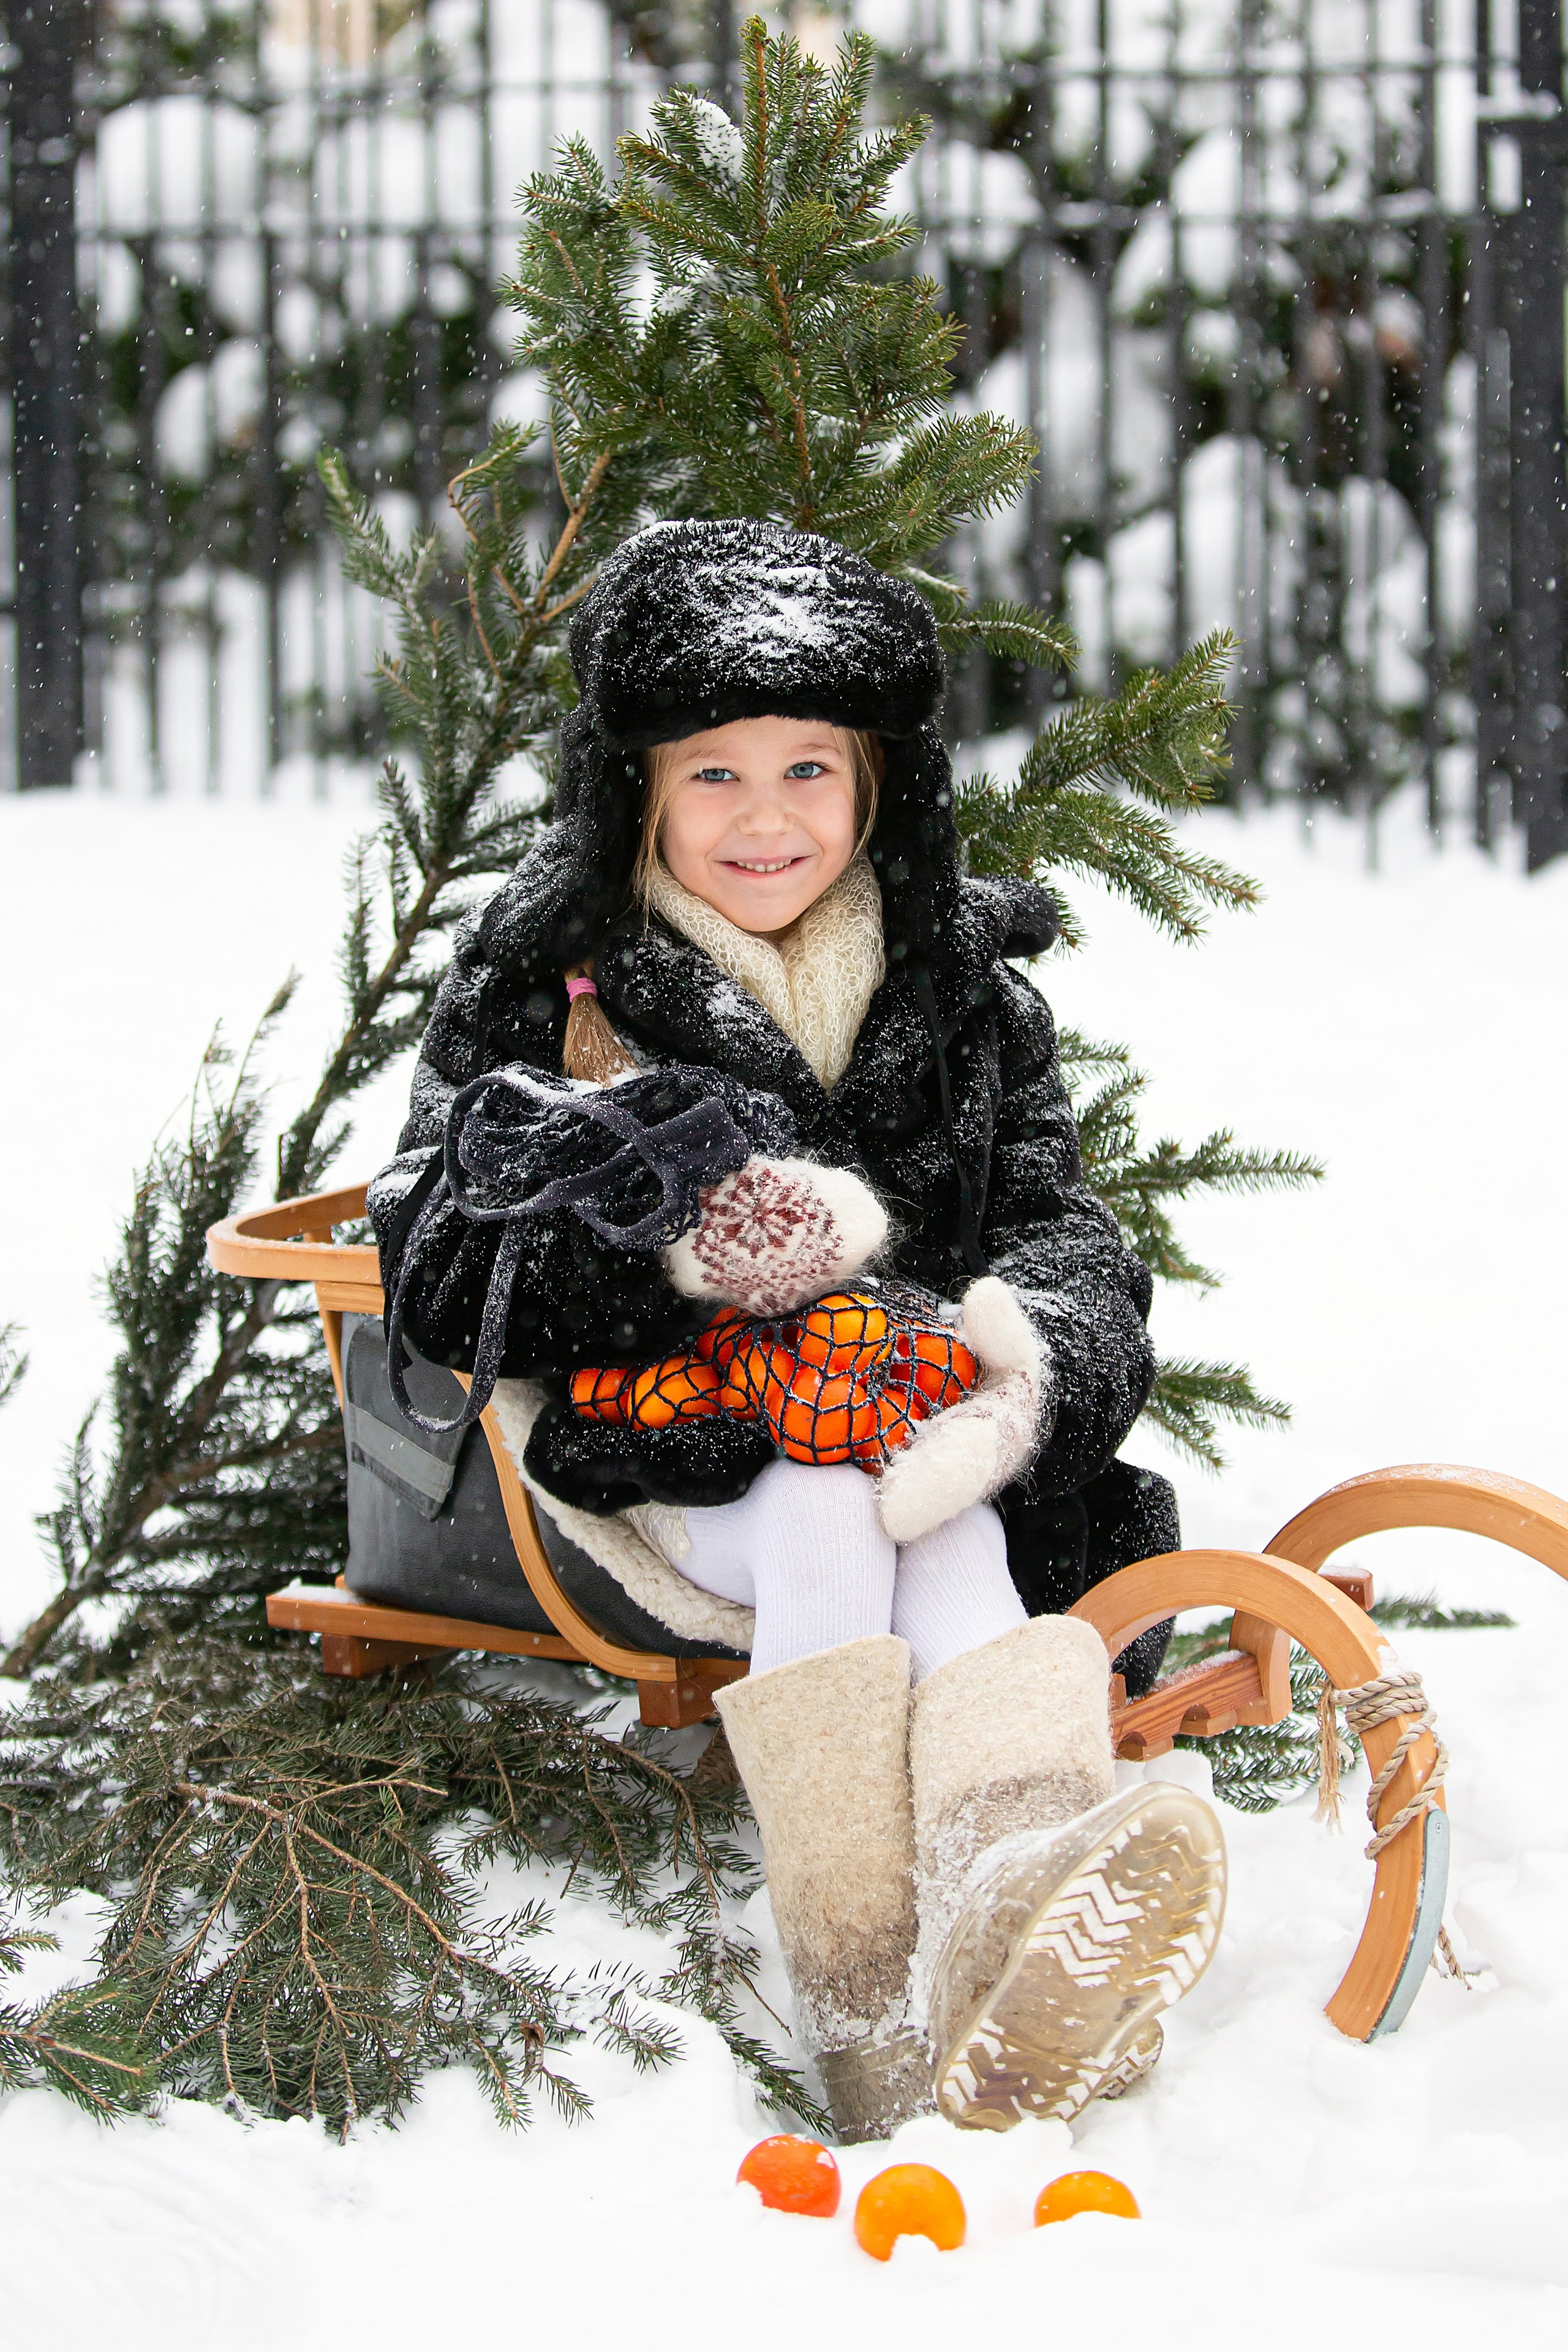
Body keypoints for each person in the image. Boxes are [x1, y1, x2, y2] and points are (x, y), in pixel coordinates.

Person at [369, 518, 1226, 2144]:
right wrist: (685, 1245)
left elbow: (1061, 1221)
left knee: (932, 1497)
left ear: (877, 784)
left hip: (904, 1409)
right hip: (658, 1444)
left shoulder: (960, 983)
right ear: (640, 787)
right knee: (836, 1495)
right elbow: (434, 1242)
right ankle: (862, 1991)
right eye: (713, 775)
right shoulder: (556, 972)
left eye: (809, 771)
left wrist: (1023, 1367)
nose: (766, 819)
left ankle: (1016, 1894)